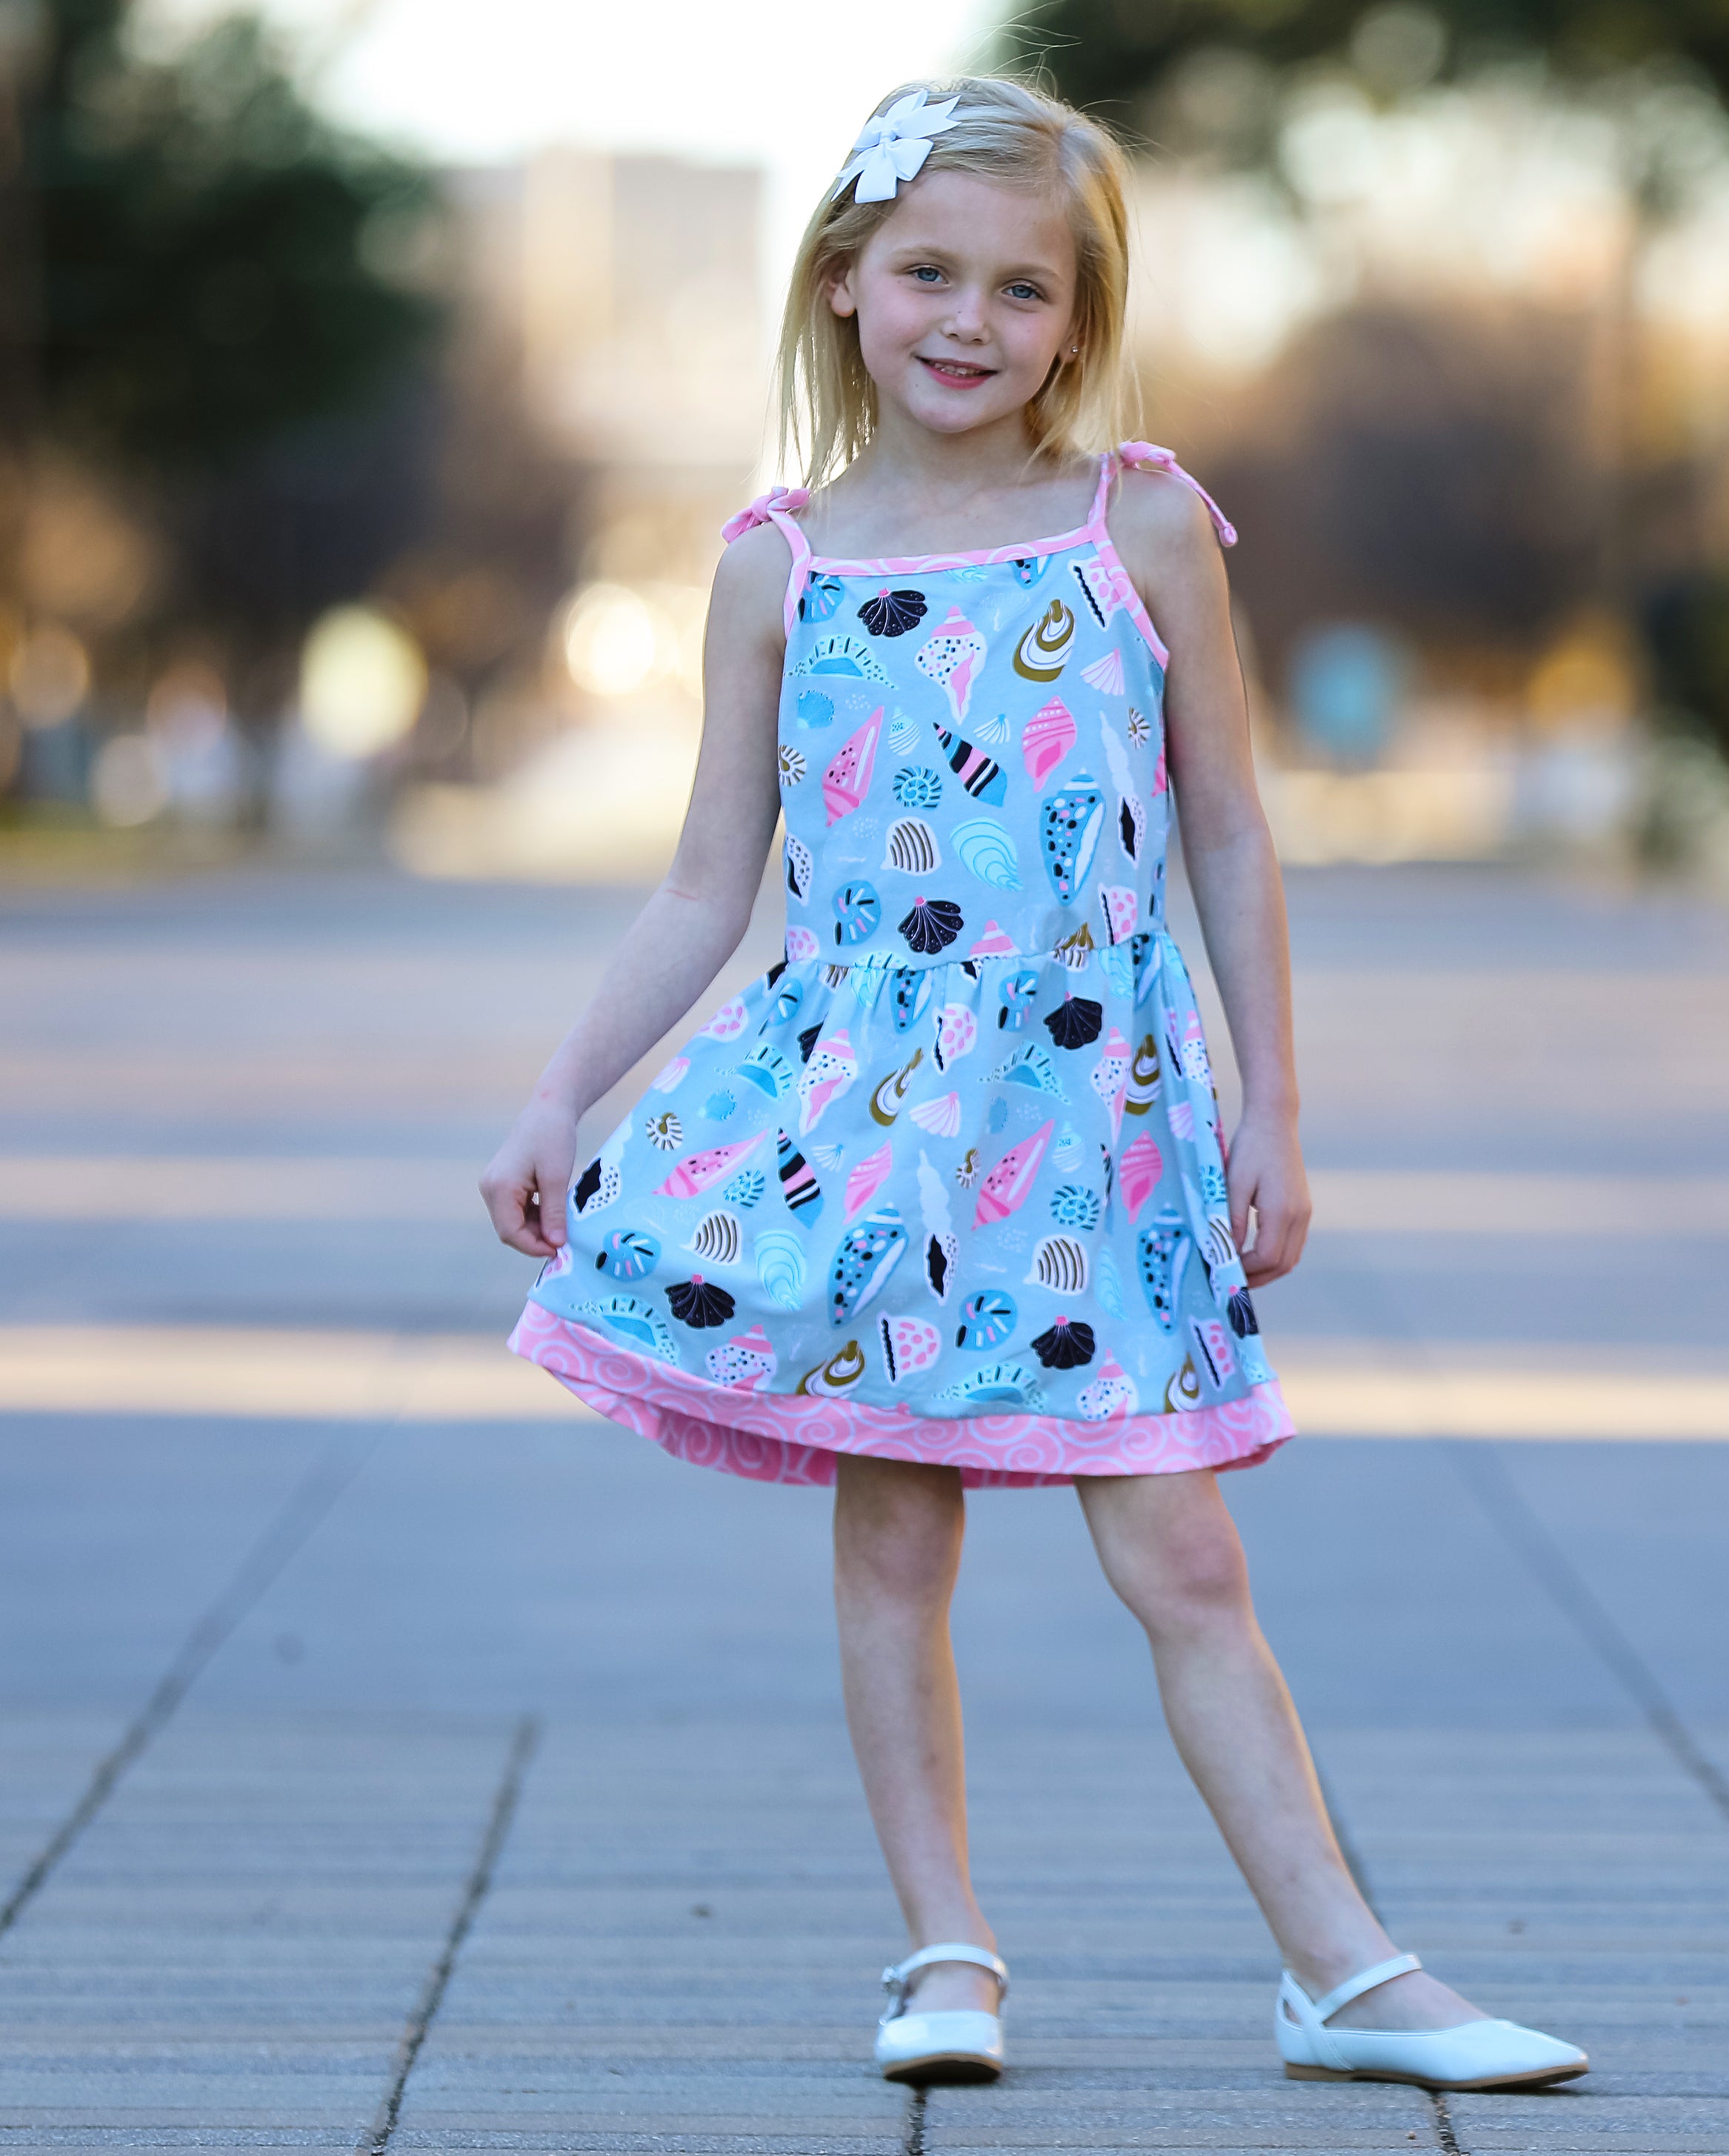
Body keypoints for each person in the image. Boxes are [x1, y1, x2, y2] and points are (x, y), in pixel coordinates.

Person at [481, 75, 1587, 2098]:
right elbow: (710, 880)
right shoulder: (777, 566)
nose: (970, 322)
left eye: (1022, 288)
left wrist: (1271, 1104)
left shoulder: (1139, 526)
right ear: (842, 280)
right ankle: (945, 1954)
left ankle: (1344, 1975)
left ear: (1078, 319)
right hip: (864, 1142)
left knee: (1185, 1555)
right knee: (896, 1544)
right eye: (928, 273)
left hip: (1096, 1135)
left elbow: (1230, 828)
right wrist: (562, 1091)